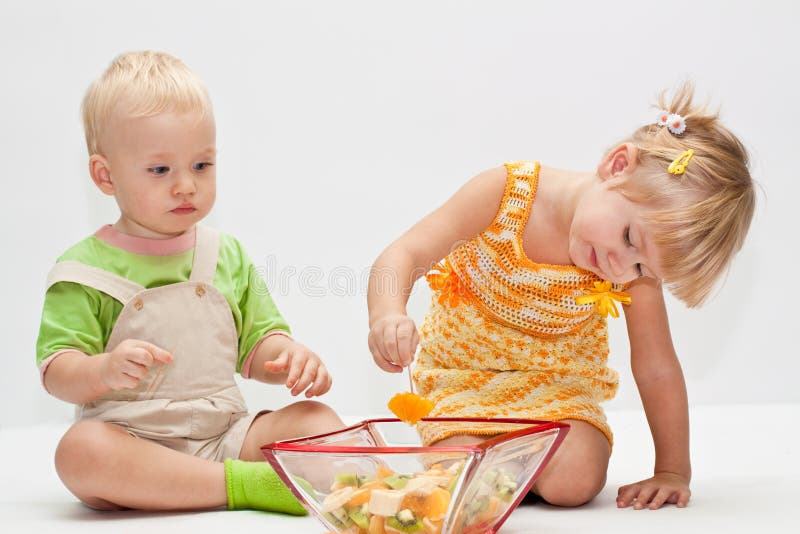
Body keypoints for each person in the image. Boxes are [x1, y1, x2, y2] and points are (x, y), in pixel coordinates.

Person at [367, 84, 755, 510]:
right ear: (617, 165)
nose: (620, 268)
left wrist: (673, 470)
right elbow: (405, 252)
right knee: (454, 470)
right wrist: (387, 314)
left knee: (577, 480)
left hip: (557, 393)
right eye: (628, 237)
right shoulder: (504, 193)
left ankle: (511, 473)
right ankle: (503, 470)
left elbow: (657, 366)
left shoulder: (627, 270)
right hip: (461, 381)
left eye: (643, 268)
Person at [35, 51, 344, 513]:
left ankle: (229, 477)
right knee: (79, 453)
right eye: (160, 170)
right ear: (105, 175)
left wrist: (289, 357)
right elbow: (58, 372)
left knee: (319, 422)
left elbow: (258, 345)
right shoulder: (83, 270)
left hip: (226, 434)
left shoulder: (226, 255)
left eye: (202, 165)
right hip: (133, 442)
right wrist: (101, 371)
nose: (186, 186)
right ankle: (250, 485)